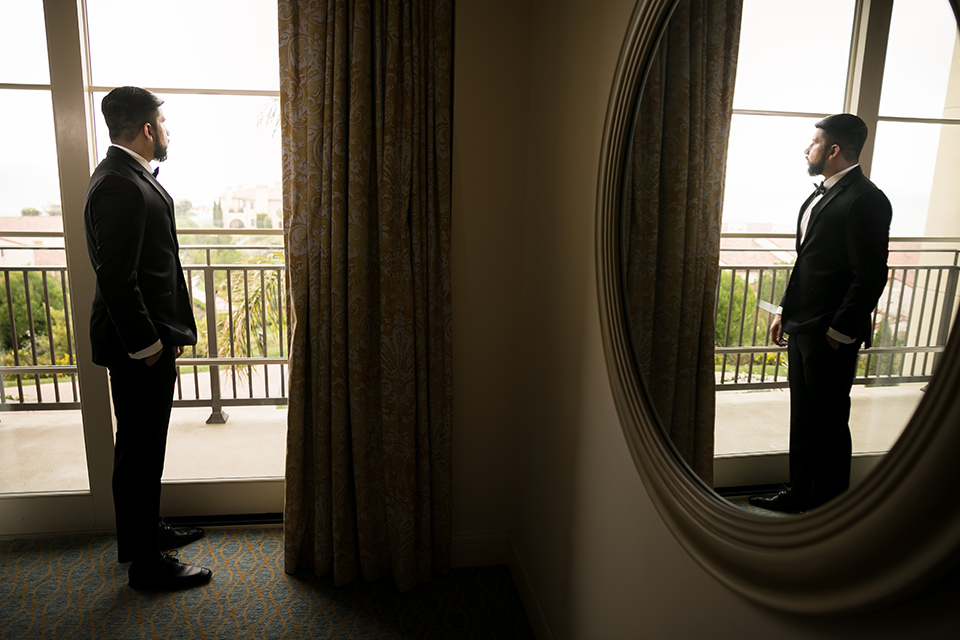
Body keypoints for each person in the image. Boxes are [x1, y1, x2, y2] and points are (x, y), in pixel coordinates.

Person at [83, 86, 212, 589]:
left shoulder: (125, 175)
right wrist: (149, 346)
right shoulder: (117, 183)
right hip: (138, 348)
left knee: (143, 445)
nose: (167, 132)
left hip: (149, 340)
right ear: (147, 129)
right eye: (163, 123)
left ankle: (144, 533)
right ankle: (146, 565)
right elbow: (118, 277)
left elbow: (148, 265)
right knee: (139, 451)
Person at [749, 113, 891, 514]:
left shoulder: (867, 199)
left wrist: (838, 331)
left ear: (832, 150)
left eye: (812, 142)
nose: (805, 149)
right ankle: (799, 495)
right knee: (805, 417)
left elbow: (871, 275)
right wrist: (784, 310)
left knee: (828, 423)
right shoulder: (822, 194)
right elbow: (810, 262)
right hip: (803, 325)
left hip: (829, 334)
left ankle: (829, 510)